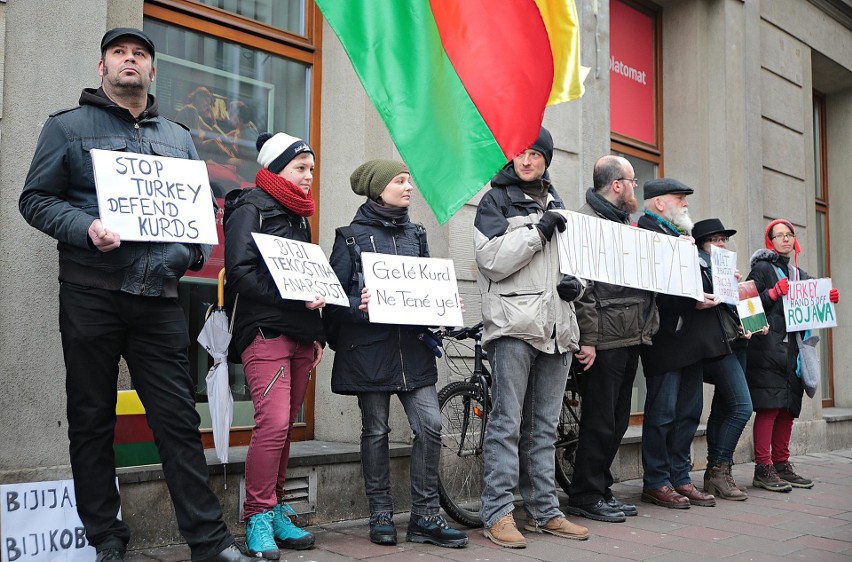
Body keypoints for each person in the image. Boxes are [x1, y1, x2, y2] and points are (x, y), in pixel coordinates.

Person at [18, 28, 251, 562]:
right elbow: (35, 200)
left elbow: (199, 226)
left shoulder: (179, 136)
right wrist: (86, 227)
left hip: (158, 299)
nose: (130, 60)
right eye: (119, 53)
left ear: (152, 71)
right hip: (90, 293)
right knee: (91, 417)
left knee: (176, 420)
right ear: (102, 68)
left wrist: (186, 257)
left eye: (140, 54)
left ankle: (209, 542)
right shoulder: (66, 127)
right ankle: (106, 538)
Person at [326, 159, 469, 549]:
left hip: (413, 351)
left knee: (431, 427)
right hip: (369, 352)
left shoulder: (417, 235)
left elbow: (423, 286)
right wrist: (359, 303)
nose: (409, 187)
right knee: (376, 431)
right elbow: (330, 299)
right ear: (378, 188)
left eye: (409, 180)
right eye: (400, 181)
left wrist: (443, 302)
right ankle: (381, 513)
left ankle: (425, 517)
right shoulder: (350, 237)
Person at [474, 127, 590, 548]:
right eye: (520, 153)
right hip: (514, 327)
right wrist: (537, 231)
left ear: (546, 160)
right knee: (507, 423)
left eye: (535, 154)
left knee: (544, 427)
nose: (527, 160)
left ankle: (545, 511)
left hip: (558, 328)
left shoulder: (558, 202)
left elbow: (576, 262)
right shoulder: (495, 200)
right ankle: (498, 514)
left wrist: (577, 286)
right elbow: (490, 260)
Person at [224, 132, 324, 558]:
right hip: (264, 332)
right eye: (300, 168)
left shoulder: (299, 216)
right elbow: (240, 271)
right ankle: (257, 516)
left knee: (284, 431)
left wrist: (317, 331)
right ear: (276, 168)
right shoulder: (250, 207)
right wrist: (293, 296)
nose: (308, 178)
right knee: (275, 423)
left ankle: (276, 506)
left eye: (312, 171)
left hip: (301, 335)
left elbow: (309, 278)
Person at [566, 155, 659, 523]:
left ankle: (601, 489)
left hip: (628, 333)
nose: (635, 188)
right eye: (632, 181)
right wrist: (587, 337)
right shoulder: (587, 221)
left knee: (618, 420)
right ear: (616, 184)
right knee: (600, 420)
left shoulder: (621, 223)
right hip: (604, 337)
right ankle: (585, 495)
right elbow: (581, 288)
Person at [636, 179, 722, 510]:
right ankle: (657, 481)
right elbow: (653, 287)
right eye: (679, 197)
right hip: (665, 337)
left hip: (689, 337)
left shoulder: (676, 236)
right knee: (663, 413)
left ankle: (679, 476)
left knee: (688, 412)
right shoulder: (645, 231)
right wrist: (691, 299)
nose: (685, 203)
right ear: (659, 203)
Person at [745, 219, 839, 491]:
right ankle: (763, 468)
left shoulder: (799, 274)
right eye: (779, 235)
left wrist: (827, 298)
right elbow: (748, 303)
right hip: (766, 351)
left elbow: (814, 301)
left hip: (793, 354)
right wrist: (772, 293)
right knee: (769, 408)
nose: (785, 239)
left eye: (789, 235)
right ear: (770, 241)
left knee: (788, 409)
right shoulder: (761, 268)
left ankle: (782, 463)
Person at [693, 218, 759, 500]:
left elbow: (738, 309)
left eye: (723, 240)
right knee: (743, 407)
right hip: (714, 346)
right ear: (701, 245)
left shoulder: (725, 270)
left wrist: (755, 323)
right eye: (714, 240)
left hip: (736, 342)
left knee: (724, 407)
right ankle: (720, 470)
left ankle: (716, 474)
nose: (720, 245)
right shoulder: (696, 266)